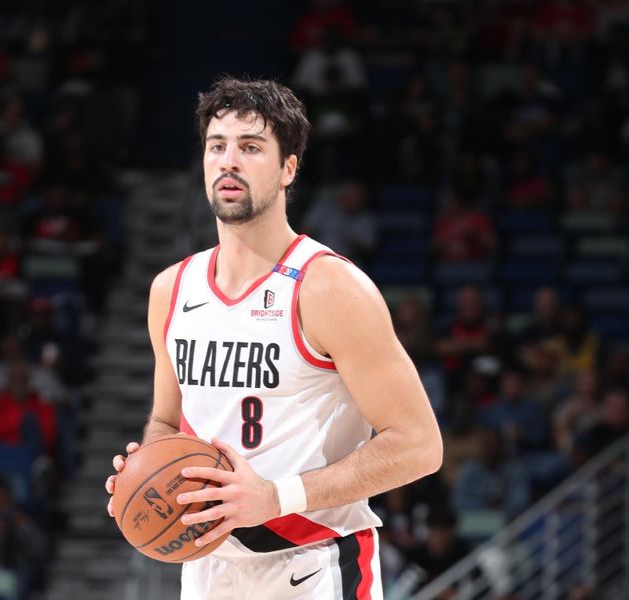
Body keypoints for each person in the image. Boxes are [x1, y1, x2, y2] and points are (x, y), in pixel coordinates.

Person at [105, 77, 442, 599]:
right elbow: (165, 421)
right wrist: (145, 477)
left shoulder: (328, 287)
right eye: (217, 146)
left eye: (251, 147)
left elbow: (419, 445)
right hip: (207, 570)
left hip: (315, 565)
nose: (228, 160)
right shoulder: (171, 289)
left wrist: (276, 497)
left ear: (289, 169)